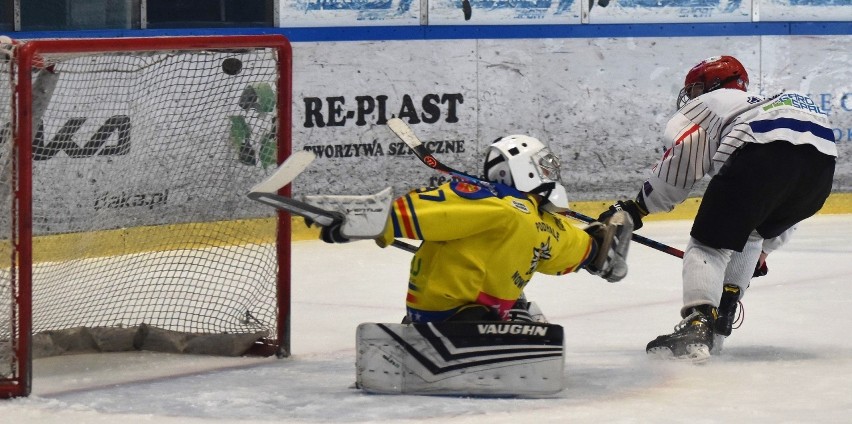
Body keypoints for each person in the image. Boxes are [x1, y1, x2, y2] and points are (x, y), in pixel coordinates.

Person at [598, 55, 837, 361]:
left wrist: (638, 207)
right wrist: (765, 251)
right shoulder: (764, 103)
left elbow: (684, 156)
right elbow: (787, 195)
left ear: (712, 85)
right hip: (821, 171)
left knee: (707, 246)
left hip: (760, 154)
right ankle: (722, 316)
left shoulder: (712, 102)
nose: (692, 96)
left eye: (696, 88)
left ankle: (697, 325)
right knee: (752, 235)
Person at [322, 135, 633, 323]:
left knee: (523, 304)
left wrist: (596, 248)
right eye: (543, 163)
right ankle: (463, 326)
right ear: (524, 168)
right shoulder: (494, 205)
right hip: (449, 314)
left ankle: (490, 321)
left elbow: (569, 246)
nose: (551, 171)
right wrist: (363, 217)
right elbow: (431, 211)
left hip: (477, 315)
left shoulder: (542, 221)